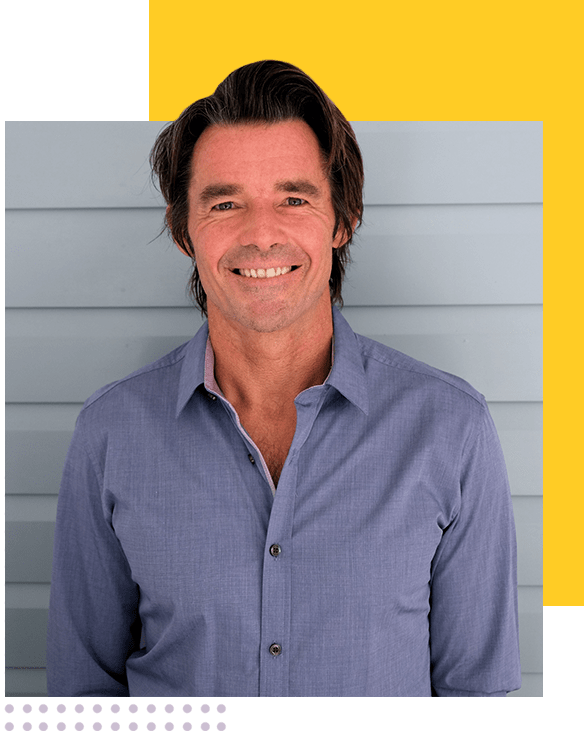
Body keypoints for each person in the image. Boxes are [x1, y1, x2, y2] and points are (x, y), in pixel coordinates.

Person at [47, 60, 521, 697]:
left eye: (294, 199)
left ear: (342, 219)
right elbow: (84, 689)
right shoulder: (109, 433)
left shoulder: (452, 428)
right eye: (225, 203)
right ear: (183, 231)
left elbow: (476, 688)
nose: (261, 235)